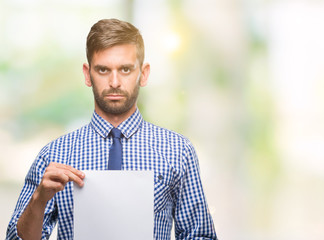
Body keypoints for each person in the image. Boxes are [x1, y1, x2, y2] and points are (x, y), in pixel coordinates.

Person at [6, 18, 217, 240]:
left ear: (143, 74)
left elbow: (199, 235)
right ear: (88, 74)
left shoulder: (178, 151)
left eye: (125, 69)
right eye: (103, 70)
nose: (114, 82)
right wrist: (39, 200)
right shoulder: (54, 155)